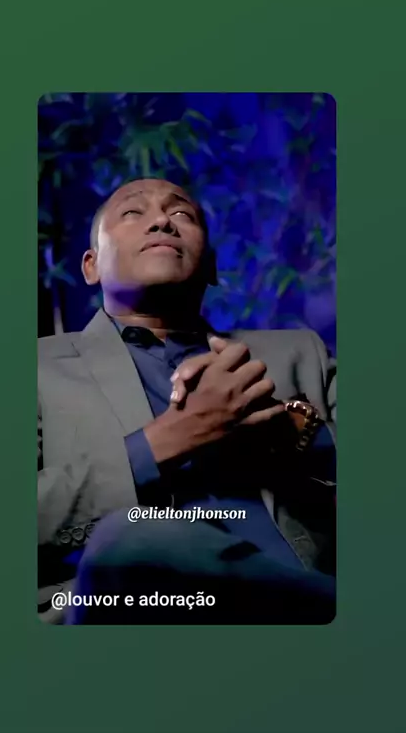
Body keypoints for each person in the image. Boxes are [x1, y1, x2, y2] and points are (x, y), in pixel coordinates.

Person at [38, 178, 336, 624]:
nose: (161, 220)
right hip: (129, 613)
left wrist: (290, 429)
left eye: (181, 213)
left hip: (305, 601)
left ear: (211, 266)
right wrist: (164, 442)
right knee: (133, 540)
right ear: (91, 265)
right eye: (133, 212)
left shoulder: (298, 352)